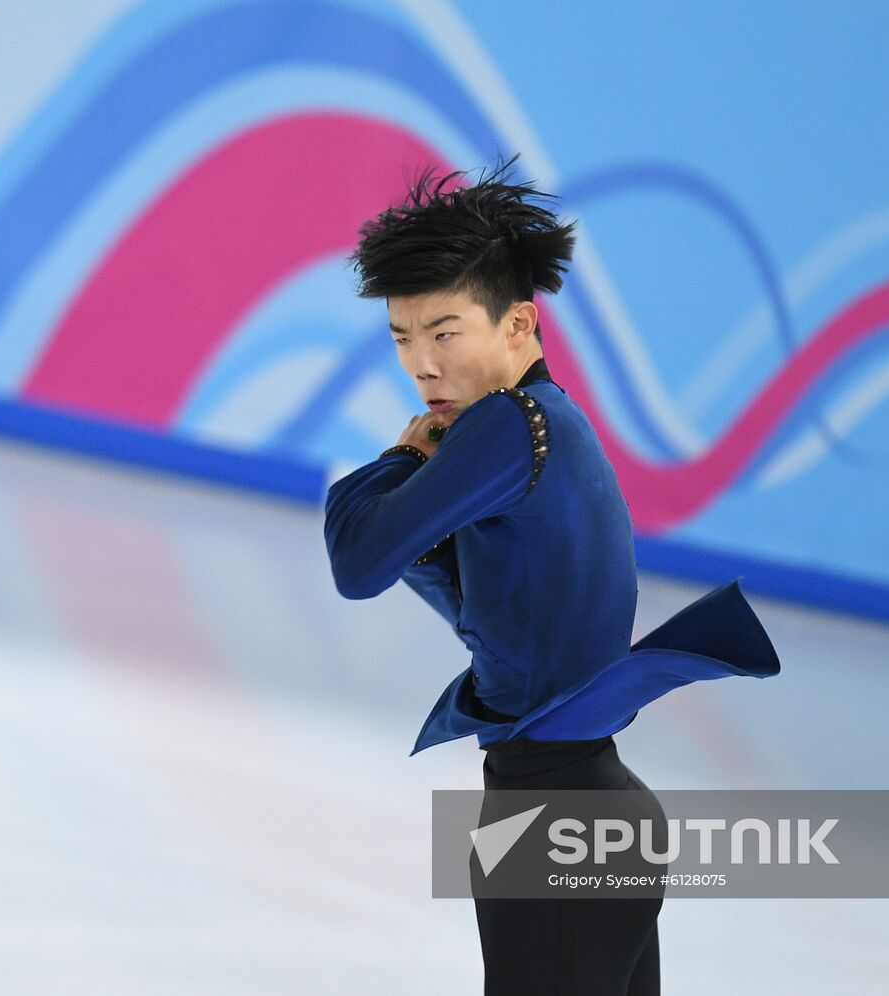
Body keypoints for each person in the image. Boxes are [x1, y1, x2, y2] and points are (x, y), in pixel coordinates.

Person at [322, 153, 781, 994]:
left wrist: (397, 455)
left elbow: (357, 562)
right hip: (583, 806)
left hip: (560, 817)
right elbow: (489, 611)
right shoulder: (545, 429)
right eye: (403, 340)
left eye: (445, 333)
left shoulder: (508, 428)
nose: (423, 366)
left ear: (520, 327)